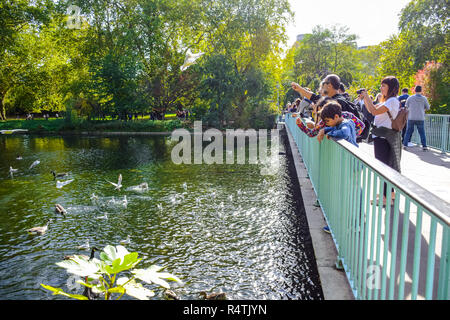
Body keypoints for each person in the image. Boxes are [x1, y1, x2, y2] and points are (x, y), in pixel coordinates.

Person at [360, 76, 401, 206]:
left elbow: (374, 111)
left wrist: (366, 96)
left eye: (384, 85)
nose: (381, 88)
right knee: (386, 165)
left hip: (384, 137)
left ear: (391, 87)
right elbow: (371, 110)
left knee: (383, 167)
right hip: (382, 136)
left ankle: (386, 197)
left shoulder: (392, 101)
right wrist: (365, 98)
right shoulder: (388, 101)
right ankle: (389, 193)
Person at [403, 85, 430, 151]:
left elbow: (406, 106)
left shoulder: (410, 98)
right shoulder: (424, 98)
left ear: (415, 90)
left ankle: (405, 145)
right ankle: (424, 146)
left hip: (411, 117)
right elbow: (428, 108)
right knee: (422, 133)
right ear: (421, 90)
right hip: (420, 117)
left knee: (408, 132)